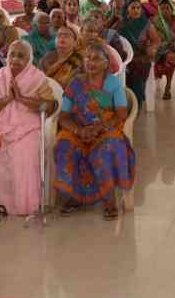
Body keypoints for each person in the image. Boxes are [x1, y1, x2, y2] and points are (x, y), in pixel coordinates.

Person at [0, 39, 58, 217]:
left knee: (24, 152)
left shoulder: (37, 78)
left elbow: (49, 106)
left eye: (21, 56)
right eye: (12, 55)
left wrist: (22, 98)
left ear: (29, 59)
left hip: (28, 127)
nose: (15, 60)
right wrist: (8, 98)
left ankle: (23, 203)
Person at [53, 41, 136, 220]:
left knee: (107, 148)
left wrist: (98, 128)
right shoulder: (76, 83)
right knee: (64, 146)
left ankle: (109, 200)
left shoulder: (113, 83)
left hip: (106, 128)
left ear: (106, 63)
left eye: (96, 59)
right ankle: (75, 197)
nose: (90, 62)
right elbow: (63, 116)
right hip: (79, 128)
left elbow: (121, 113)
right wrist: (79, 131)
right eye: (87, 58)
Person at [119, 0, 159, 107]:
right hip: (125, 57)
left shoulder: (146, 24)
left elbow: (156, 40)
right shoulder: (121, 24)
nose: (136, 10)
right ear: (127, 9)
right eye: (133, 8)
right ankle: (127, 100)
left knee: (137, 68)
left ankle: (137, 102)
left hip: (142, 57)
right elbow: (113, 38)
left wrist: (153, 48)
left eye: (138, 8)